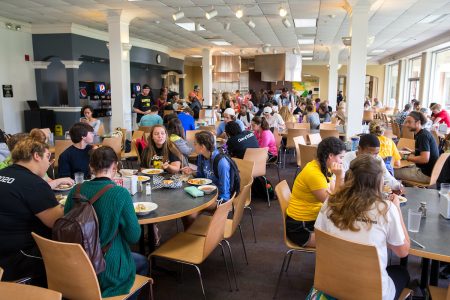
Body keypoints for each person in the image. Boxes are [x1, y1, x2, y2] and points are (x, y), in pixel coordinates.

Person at [315, 154, 410, 300]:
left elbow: (320, 238)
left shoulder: (331, 202)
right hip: (372, 294)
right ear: (378, 182)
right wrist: (397, 210)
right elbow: (403, 251)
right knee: (401, 272)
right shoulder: (386, 209)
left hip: (332, 283)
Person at [64, 146, 147, 297]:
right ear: (115, 167)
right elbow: (133, 236)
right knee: (142, 262)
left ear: (90, 167)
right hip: (107, 269)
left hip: (77, 266)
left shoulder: (75, 191)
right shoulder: (120, 193)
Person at [0, 137, 63, 285]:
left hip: (4, 251)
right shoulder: (33, 183)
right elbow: (57, 222)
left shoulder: (3, 173)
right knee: (71, 259)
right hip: (18, 257)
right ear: (36, 156)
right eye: (48, 157)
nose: (49, 162)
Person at [286, 137, 346, 248]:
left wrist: (338, 178)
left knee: (345, 226)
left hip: (314, 217)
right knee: (341, 241)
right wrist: (340, 176)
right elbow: (334, 202)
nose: (342, 161)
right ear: (331, 156)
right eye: (341, 157)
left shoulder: (324, 167)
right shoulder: (314, 173)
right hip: (300, 228)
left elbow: (337, 193)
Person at [182, 131, 232, 202]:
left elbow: (224, 190)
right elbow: (201, 176)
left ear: (202, 147)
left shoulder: (221, 162)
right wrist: (192, 172)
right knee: (188, 201)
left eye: (195, 144)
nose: (193, 146)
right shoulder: (201, 156)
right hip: (206, 193)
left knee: (193, 206)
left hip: (220, 198)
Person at [395, 111, 439, 183]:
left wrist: (405, 157)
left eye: (409, 122)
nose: (406, 125)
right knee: (401, 167)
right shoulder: (422, 133)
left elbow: (424, 159)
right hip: (428, 171)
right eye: (406, 122)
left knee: (391, 171)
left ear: (418, 122)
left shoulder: (423, 136)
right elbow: (426, 152)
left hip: (425, 174)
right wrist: (412, 151)